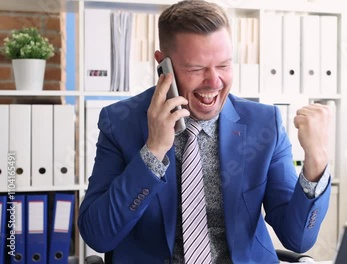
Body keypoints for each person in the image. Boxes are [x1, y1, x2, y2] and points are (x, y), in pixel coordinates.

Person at [78, 0, 332, 263]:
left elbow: (298, 239)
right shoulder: (120, 123)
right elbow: (98, 235)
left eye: (223, 65)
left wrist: (316, 160)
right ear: (162, 64)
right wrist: (152, 152)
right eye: (196, 68)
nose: (214, 82)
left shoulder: (263, 123)